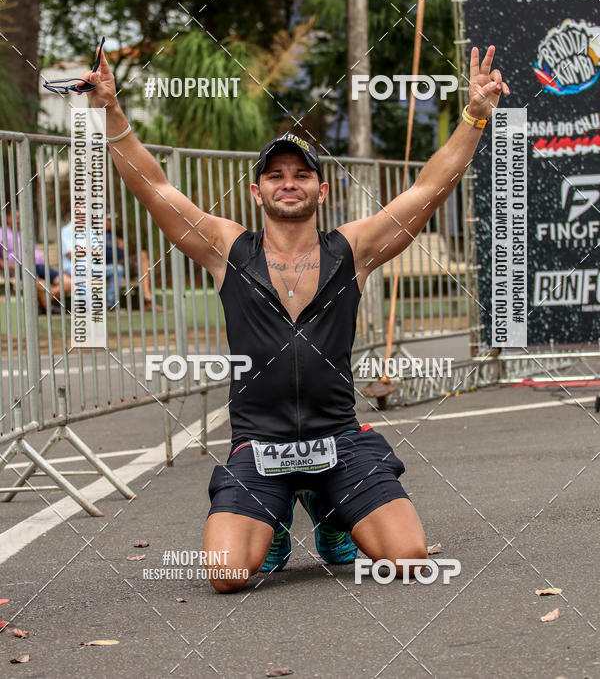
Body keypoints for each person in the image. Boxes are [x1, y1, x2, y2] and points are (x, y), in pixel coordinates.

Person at [81, 44, 509, 593]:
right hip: (260, 445)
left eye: (302, 174)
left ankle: (332, 516)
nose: (289, 182)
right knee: (228, 575)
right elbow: (155, 186)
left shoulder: (352, 249)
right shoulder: (226, 248)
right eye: (276, 174)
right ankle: (277, 516)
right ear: (257, 190)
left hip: (339, 438)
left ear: (321, 189)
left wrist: (474, 115)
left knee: (407, 559)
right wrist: (110, 110)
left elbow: (428, 188)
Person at [0, 204, 71, 312]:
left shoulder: (27, 232)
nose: (19, 220)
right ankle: (47, 308)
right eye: (16, 217)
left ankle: (43, 305)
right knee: (34, 280)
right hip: (19, 267)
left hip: (39, 266)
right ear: (8, 218)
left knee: (68, 283)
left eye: (20, 218)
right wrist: (8, 266)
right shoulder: (1, 233)